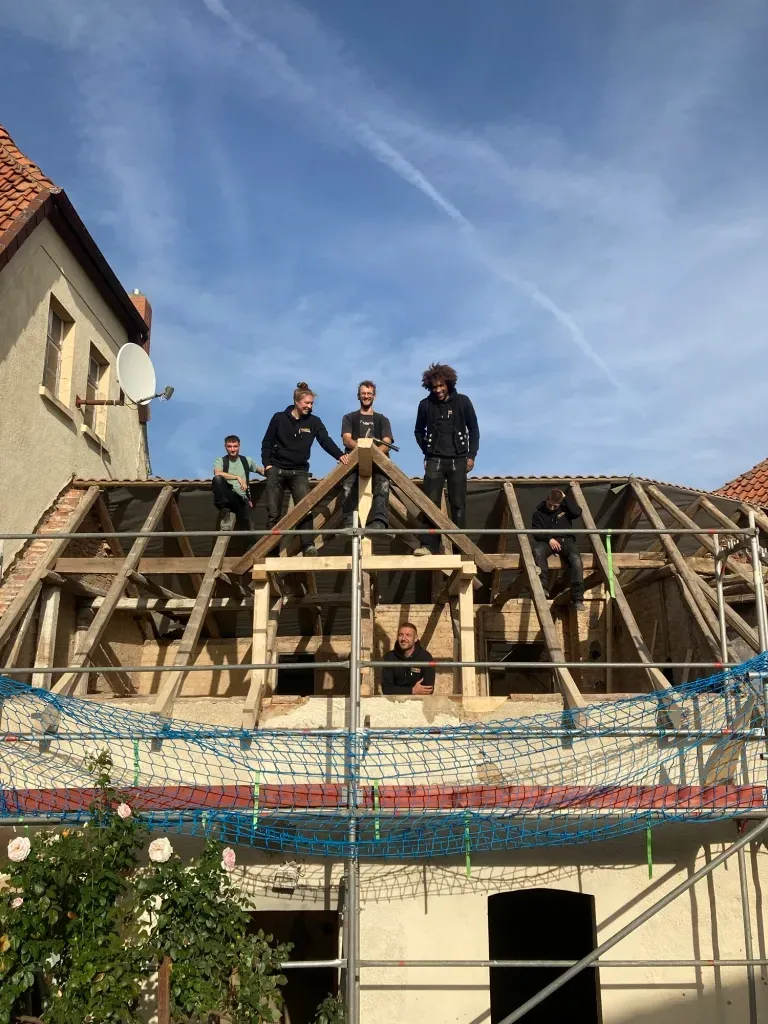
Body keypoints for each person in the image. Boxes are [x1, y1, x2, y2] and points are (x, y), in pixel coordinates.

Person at [261, 382, 349, 555]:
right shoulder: (279, 418)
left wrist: (339, 455)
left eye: (311, 404)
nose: (309, 406)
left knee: (305, 507)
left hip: (299, 471)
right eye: (306, 403)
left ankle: (307, 545)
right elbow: (267, 442)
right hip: (277, 469)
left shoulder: (314, 421)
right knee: (273, 512)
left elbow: (325, 440)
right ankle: (270, 550)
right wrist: (267, 465)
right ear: (296, 401)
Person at [413, 363, 479, 555]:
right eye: (434, 387)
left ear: (448, 383)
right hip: (435, 460)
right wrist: (426, 452)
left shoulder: (463, 402)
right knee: (430, 503)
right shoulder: (425, 405)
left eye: (441, 385)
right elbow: (418, 431)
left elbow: (474, 429)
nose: (438, 390)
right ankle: (428, 545)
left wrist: (471, 455)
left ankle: (461, 548)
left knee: (458, 504)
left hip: (458, 459)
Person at [340, 380, 394, 531]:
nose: (366, 396)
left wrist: (372, 454)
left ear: (374, 396)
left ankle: (378, 522)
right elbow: (347, 439)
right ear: (358, 396)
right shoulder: (349, 418)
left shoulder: (382, 420)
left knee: (383, 483)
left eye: (369, 393)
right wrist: (362, 450)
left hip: (378, 461)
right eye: (363, 393)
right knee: (347, 485)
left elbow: (386, 442)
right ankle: (350, 522)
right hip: (353, 460)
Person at [531, 486, 585, 611]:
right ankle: (543, 588)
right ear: (546, 500)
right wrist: (549, 538)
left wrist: (565, 498)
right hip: (547, 542)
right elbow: (535, 532)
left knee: (576, 559)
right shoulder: (538, 514)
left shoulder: (565, 510)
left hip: (566, 541)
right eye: (550, 505)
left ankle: (577, 598)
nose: (552, 508)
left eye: (555, 506)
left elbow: (577, 512)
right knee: (538, 551)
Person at [212, 435, 264, 531]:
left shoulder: (246, 460)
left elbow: (261, 471)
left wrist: (275, 472)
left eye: (235, 446)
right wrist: (237, 477)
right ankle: (225, 512)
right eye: (229, 446)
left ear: (239, 446)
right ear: (225, 447)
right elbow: (217, 473)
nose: (232, 449)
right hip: (228, 497)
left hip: (241, 500)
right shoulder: (221, 460)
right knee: (217, 479)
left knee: (249, 529)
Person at [381, 623, 436, 695]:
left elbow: (428, 690)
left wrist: (397, 689)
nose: (403, 639)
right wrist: (412, 690)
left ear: (415, 638)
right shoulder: (389, 657)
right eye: (401, 635)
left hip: (418, 702)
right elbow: (386, 689)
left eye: (408, 635)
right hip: (395, 702)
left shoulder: (425, 657)